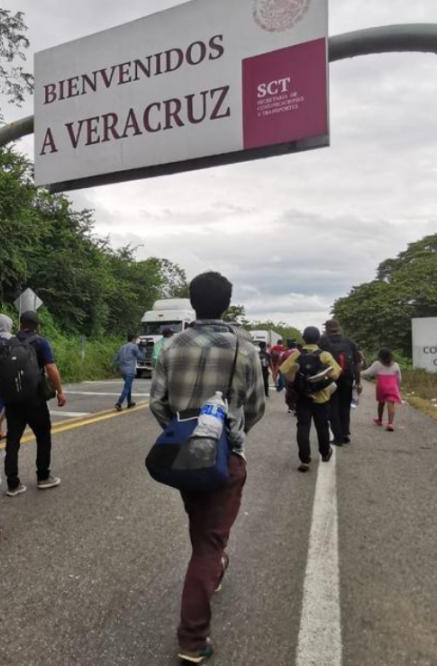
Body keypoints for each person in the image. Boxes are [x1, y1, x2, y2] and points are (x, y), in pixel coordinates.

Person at [149, 272, 266, 664]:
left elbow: (157, 402)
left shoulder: (170, 346)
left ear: (193, 301)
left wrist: (181, 432)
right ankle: (192, 639)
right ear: (227, 304)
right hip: (225, 455)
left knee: (201, 524)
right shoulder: (243, 349)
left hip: (184, 455)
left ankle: (212, 565)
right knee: (208, 544)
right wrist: (231, 433)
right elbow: (256, 407)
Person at [3, 310, 66, 496]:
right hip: (34, 400)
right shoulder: (41, 342)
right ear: (37, 326)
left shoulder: (8, 343)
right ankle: (43, 477)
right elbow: (51, 368)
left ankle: (13, 484)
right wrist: (60, 392)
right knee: (43, 435)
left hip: (13, 401)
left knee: (13, 440)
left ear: (20, 324)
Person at [280, 327, 342, 473]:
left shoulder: (296, 354)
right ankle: (325, 453)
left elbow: (285, 371)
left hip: (302, 398)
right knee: (322, 426)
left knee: (303, 427)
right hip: (322, 398)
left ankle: (304, 460)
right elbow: (336, 374)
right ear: (318, 338)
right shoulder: (325, 355)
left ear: (303, 338)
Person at [319, 319, 362, 446]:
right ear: (338, 329)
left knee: (333, 407)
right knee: (344, 407)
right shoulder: (349, 342)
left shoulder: (322, 342)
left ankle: (338, 437)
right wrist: (358, 382)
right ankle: (345, 434)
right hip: (347, 378)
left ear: (327, 329)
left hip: (331, 378)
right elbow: (357, 363)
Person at [361, 349, 402, 432]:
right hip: (392, 387)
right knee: (391, 404)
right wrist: (398, 386)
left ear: (380, 357)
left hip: (381, 387)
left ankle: (379, 420)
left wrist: (358, 373)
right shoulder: (396, 365)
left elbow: (367, 373)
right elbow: (399, 378)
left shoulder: (377, 364)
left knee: (381, 403)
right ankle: (390, 424)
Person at [113, 333, 143, 411]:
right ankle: (119, 403)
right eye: (136, 339)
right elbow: (140, 357)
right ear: (133, 339)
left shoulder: (122, 347)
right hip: (130, 370)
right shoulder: (134, 346)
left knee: (128, 386)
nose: (136, 341)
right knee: (126, 387)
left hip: (122, 370)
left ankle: (130, 402)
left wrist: (114, 367)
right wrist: (143, 349)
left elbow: (116, 358)